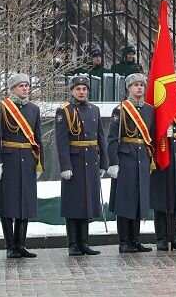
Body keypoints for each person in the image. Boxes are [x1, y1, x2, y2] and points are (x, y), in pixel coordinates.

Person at [0, 73, 42, 258]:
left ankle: (21, 244)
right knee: (8, 203)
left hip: (27, 159)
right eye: (21, 85)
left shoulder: (34, 109)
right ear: (12, 89)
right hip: (8, 159)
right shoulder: (2, 108)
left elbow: (37, 139)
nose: (25, 88)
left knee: (24, 203)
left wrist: (38, 164)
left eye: (27, 85)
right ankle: (10, 245)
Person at [56, 74, 108, 256]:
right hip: (75, 161)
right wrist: (65, 166)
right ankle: (73, 244)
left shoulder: (94, 109)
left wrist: (104, 162)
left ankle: (84, 242)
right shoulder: (65, 111)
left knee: (87, 202)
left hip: (91, 160)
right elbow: (61, 141)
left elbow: (100, 137)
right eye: (78, 89)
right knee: (73, 203)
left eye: (84, 89)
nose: (81, 92)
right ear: (72, 90)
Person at [108, 73, 154, 253]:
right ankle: (124, 241)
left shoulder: (149, 110)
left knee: (138, 200)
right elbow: (112, 138)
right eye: (135, 85)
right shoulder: (120, 109)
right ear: (128, 88)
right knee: (125, 200)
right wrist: (114, 162)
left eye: (142, 85)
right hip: (126, 157)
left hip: (143, 157)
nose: (139, 88)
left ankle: (135, 240)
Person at [150, 70, 176, 251]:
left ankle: (172, 236)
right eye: (175, 82)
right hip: (162, 152)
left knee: (175, 197)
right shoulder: (157, 104)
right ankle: (161, 237)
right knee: (162, 197)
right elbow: (149, 128)